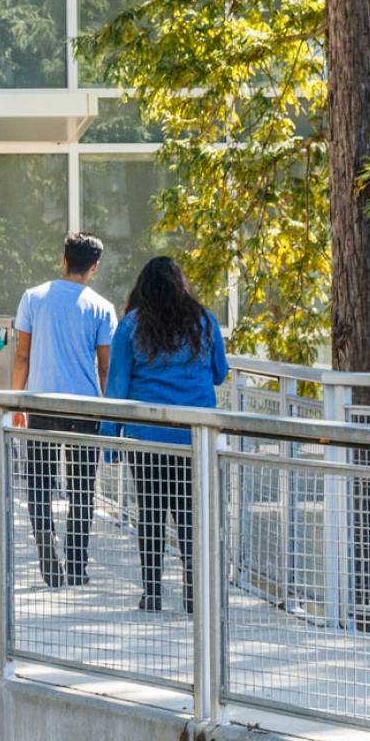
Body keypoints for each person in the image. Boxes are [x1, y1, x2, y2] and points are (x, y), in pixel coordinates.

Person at [107, 255, 230, 613]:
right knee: (191, 516)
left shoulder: (131, 326)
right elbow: (220, 373)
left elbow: (117, 387)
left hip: (146, 438)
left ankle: (152, 592)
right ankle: (194, 594)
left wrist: (109, 443)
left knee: (151, 514)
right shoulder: (204, 322)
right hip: (195, 439)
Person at [6, 233, 118, 588]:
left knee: (38, 486)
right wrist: (107, 409)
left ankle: (48, 561)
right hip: (85, 407)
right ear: (95, 267)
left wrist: (16, 401)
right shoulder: (101, 307)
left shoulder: (33, 298)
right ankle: (77, 565)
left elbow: (22, 354)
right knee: (82, 490)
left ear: (63, 259)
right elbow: (105, 367)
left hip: (40, 404)